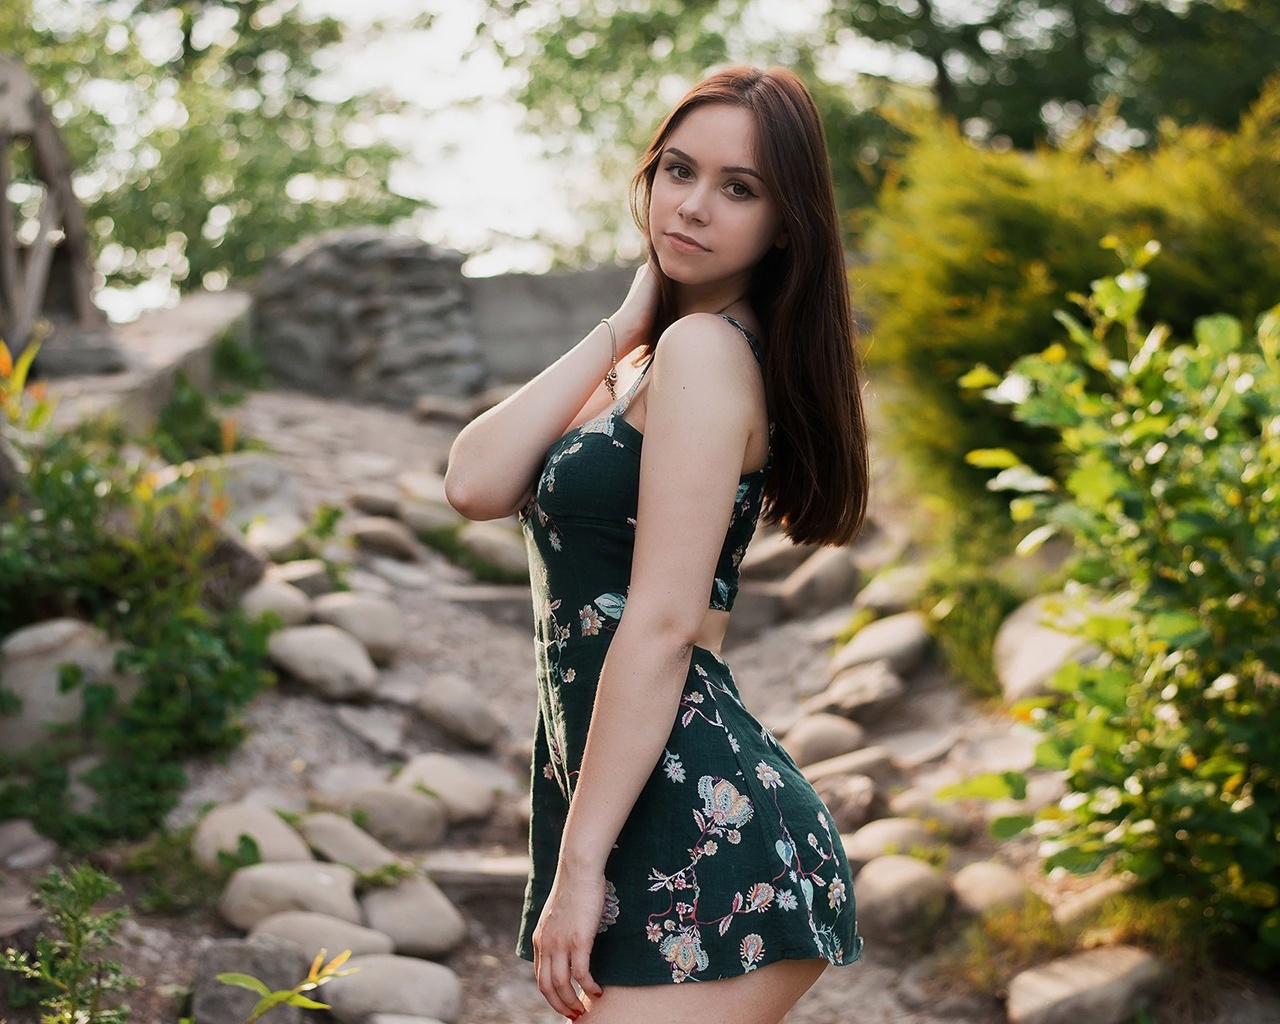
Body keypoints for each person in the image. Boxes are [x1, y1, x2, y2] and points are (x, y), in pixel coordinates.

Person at [445, 65, 869, 1024]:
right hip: (640, 800)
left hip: (700, 819)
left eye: (739, 188)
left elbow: (666, 625)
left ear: (785, 223)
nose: (694, 206)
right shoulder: (654, 358)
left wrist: (577, 866)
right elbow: (474, 481)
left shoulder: (708, 355)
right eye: (679, 171)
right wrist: (623, 323)